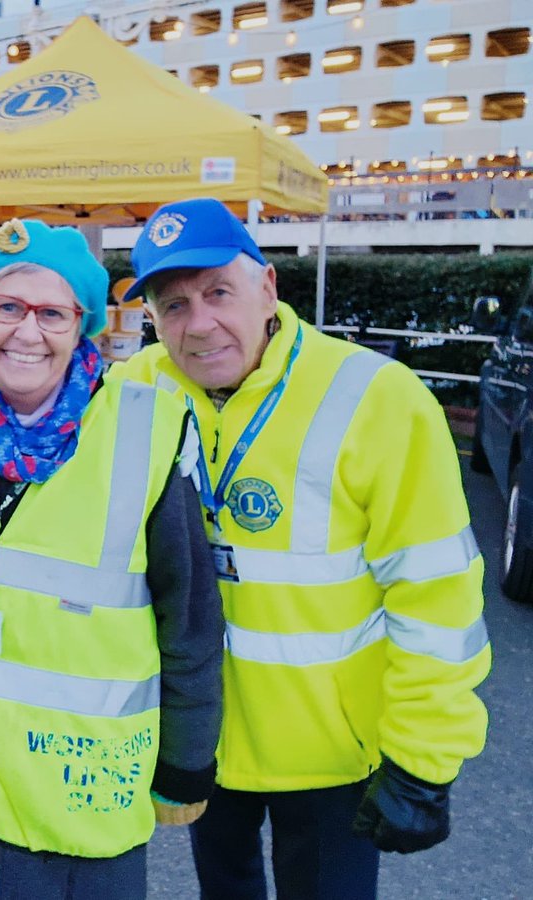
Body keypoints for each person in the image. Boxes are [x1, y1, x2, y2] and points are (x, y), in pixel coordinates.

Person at [113, 197, 491, 899]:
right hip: (204, 744)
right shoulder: (135, 390)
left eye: (218, 292)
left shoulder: (380, 398)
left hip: (333, 755)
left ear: (268, 288)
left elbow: (438, 595)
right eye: (173, 306)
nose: (199, 326)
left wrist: (424, 757)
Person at [0, 218, 224, 900]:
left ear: (82, 324)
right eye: (6, 308)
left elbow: (192, 616)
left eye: (52, 313)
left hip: (82, 778)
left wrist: (187, 761)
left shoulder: (147, 426)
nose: (28, 333)